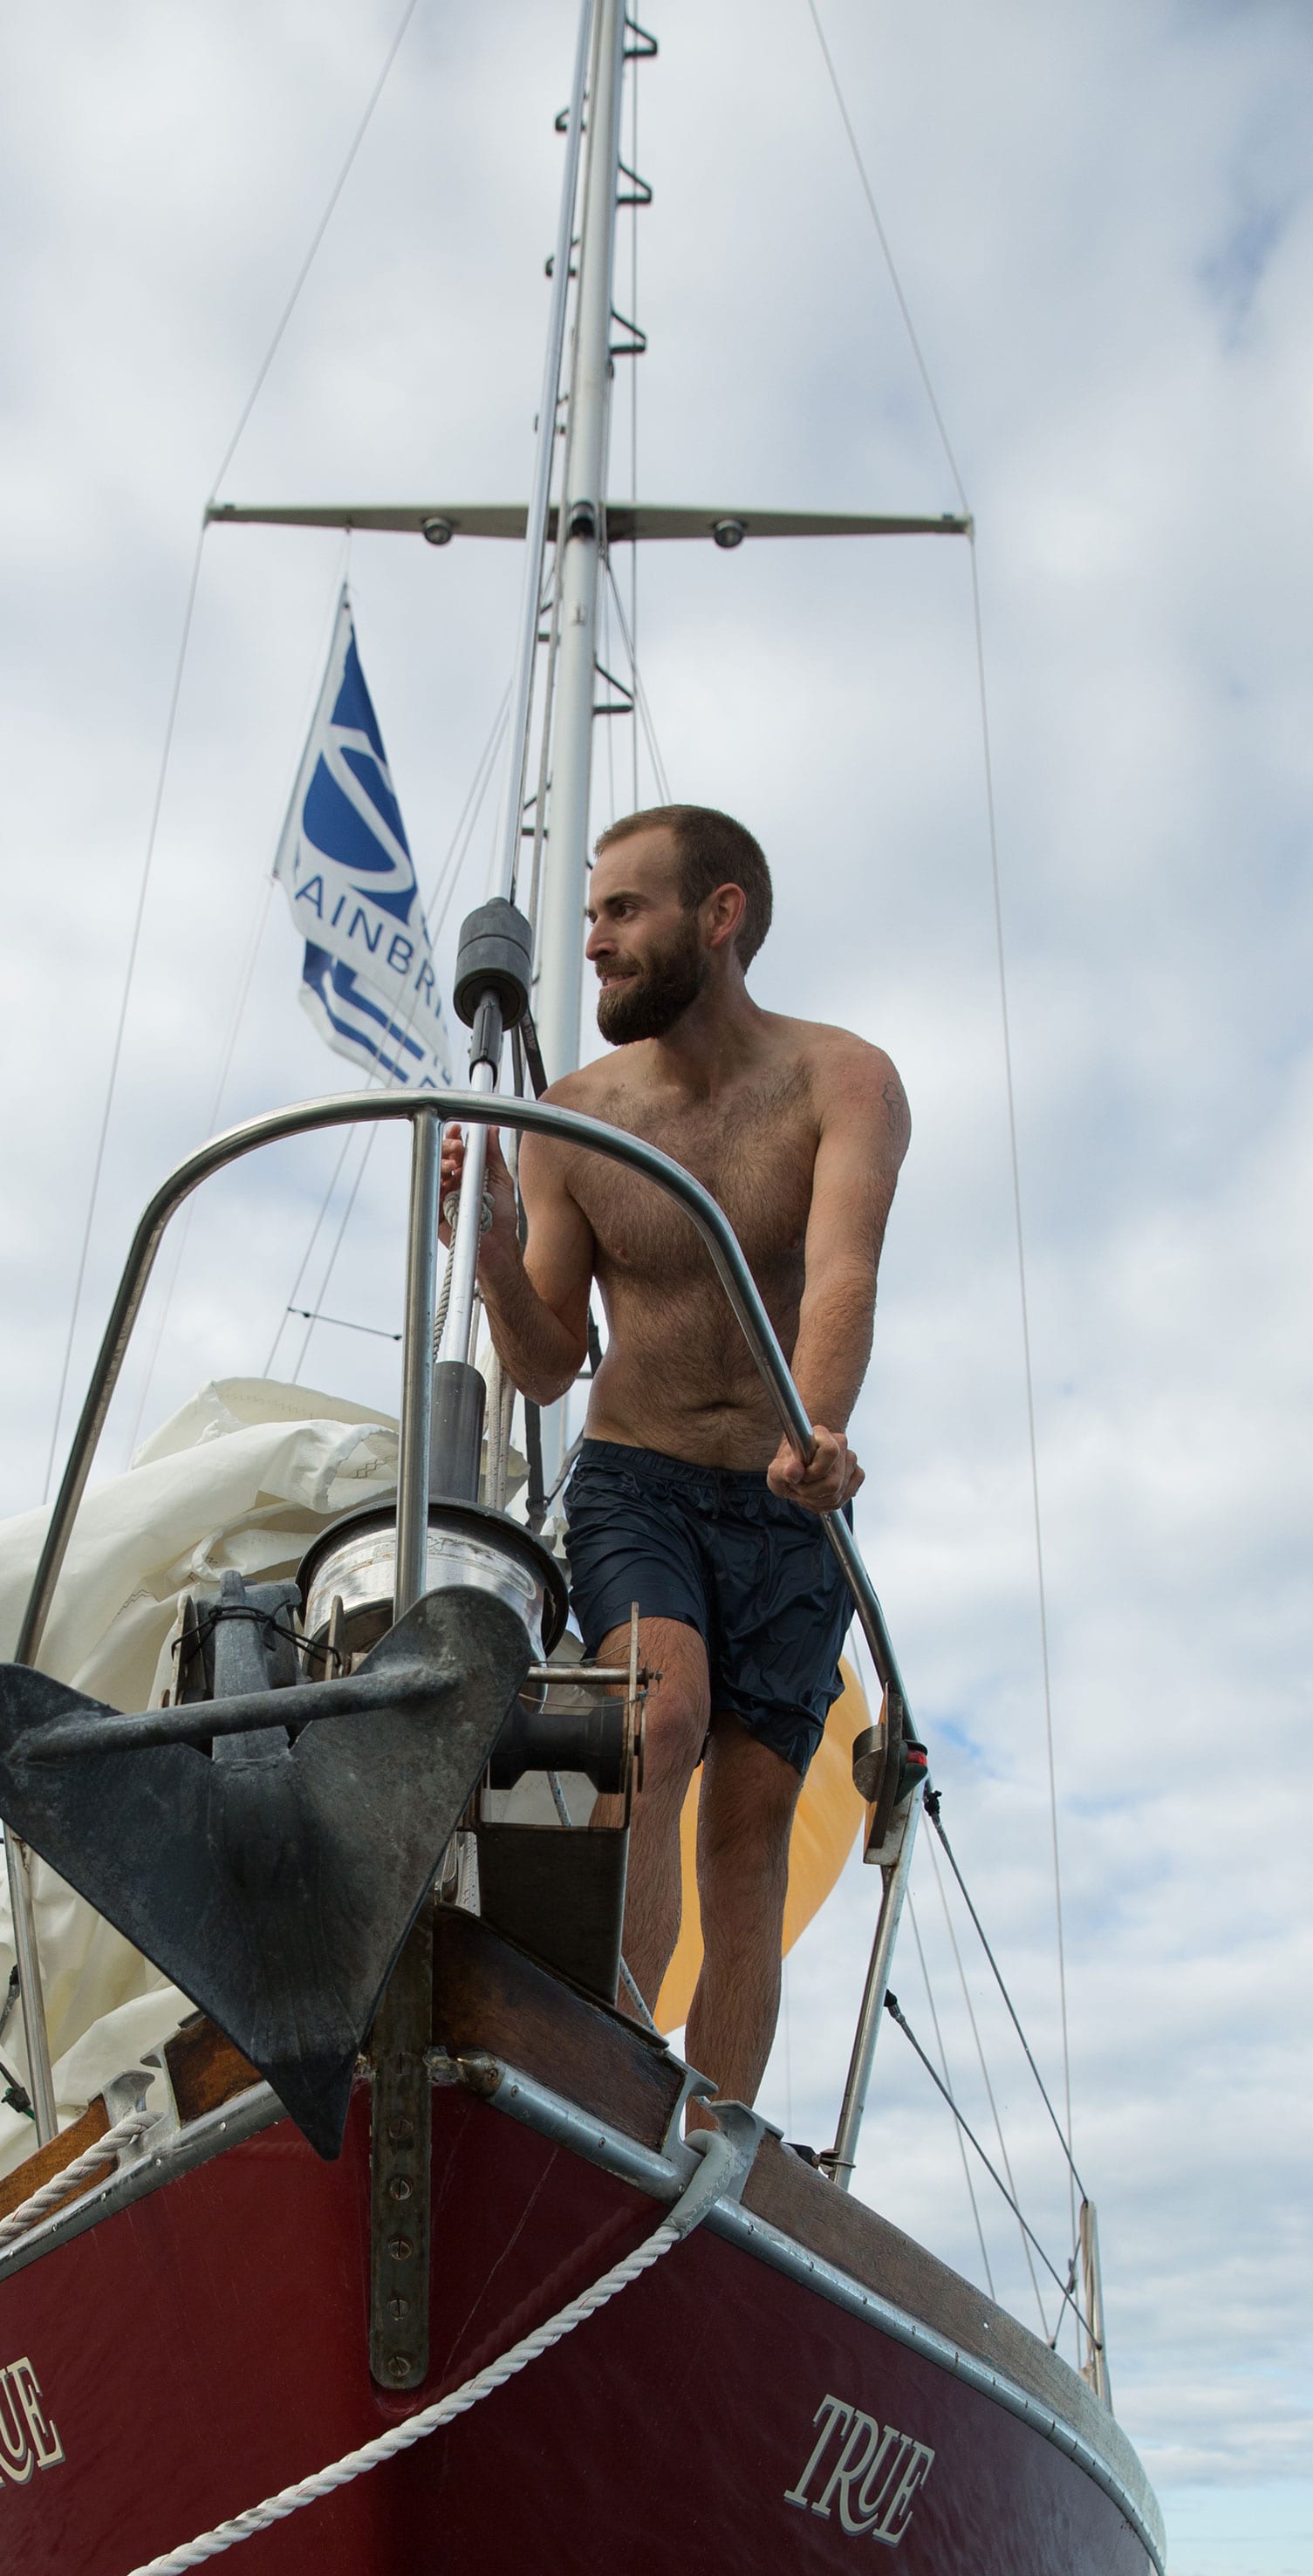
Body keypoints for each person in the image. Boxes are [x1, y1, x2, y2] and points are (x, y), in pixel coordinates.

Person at [444, 803, 907, 2106]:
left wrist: (817, 1429)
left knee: (751, 1837)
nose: (593, 942)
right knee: (661, 1713)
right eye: (591, 915)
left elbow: (840, 1278)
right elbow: (543, 1362)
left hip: (787, 1499)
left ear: (722, 917)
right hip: (637, 1480)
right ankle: (604, 2072)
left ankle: (713, 2136)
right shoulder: (575, 1118)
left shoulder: (843, 1082)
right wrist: (484, 1252)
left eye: (624, 911)